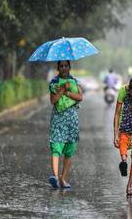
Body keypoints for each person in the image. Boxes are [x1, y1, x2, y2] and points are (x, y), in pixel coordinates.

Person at [48, 60, 83, 189]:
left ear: (69, 67)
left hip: (72, 119)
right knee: (56, 146)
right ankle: (55, 177)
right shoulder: (54, 83)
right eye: (61, 66)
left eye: (66, 66)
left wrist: (68, 92)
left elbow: (80, 97)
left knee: (69, 149)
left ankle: (63, 179)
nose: (64, 68)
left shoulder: (75, 81)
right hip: (58, 118)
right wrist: (62, 89)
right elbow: (53, 101)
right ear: (58, 68)